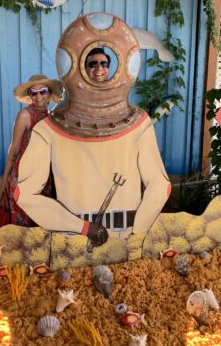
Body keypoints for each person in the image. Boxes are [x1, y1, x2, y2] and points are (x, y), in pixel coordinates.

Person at [14, 13, 172, 251]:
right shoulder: (49, 129)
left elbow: (160, 185)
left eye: (104, 63)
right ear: (79, 66)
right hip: (74, 241)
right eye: (93, 63)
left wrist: (136, 235)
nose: (99, 68)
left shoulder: (139, 123)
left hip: (119, 239)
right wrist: (83, 227)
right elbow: (24, 194)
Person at [0, 74, 62, 228]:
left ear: (49, 94)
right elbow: (14, 149)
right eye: (33, 92)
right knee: (20, 226)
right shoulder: (25, 115)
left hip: (44, 178)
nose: (38, 96)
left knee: (41, 225)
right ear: (29, 95)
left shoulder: (52, 117)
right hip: (23, 176)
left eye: (42, 91)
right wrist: (6, 179)